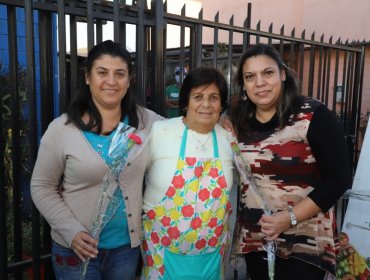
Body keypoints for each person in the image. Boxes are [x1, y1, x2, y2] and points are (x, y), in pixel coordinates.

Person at [30, 40, 163, 280]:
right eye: (102, 72)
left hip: (126, 249)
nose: (111, 81)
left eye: (119, 74)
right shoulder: (62, 129)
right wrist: (71, 231)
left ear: (129, 79)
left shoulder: (146, 122)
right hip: (76, 250)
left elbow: (187, 129)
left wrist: (222, 123)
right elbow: (41, 186)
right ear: (88, 77)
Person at [229, 44, 352, 280]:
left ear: (282, 74)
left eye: (268, 73)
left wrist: (289, 217)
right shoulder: (237, 122)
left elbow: (339, 178)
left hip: (304, 244)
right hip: (256, 239)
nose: (260, 83)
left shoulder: (312, 115)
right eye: (250, 76)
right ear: (243, 84)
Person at [142, 67, 234, 279]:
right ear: (186, 102)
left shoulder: (229, 139)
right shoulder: (160, 132)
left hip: (211, 261)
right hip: (162, 257)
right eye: (198, 97)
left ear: (221, 105)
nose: (206, 104)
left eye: (214, 97)